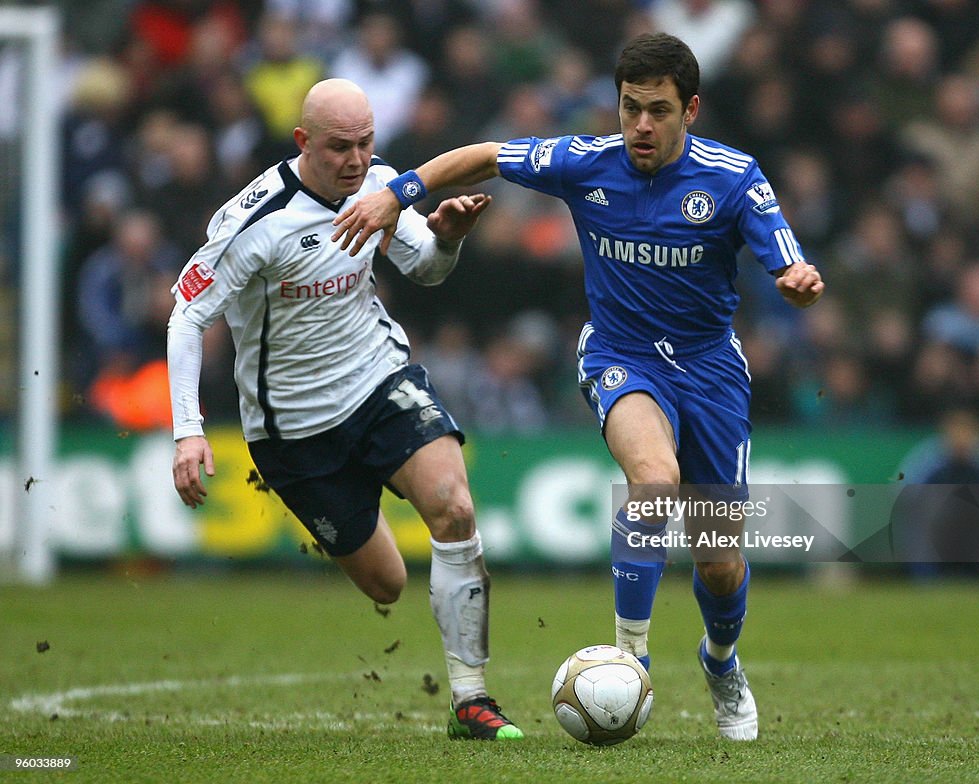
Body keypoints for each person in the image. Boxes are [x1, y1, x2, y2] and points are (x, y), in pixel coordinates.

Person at [333, 33, 825, 741]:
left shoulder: (734, 177)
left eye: (658, 111)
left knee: (719, 562)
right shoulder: (585, 161)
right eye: (630, 109)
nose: (641, 127)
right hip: (621, 356)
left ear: (691, 108)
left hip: (711, 368)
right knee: (652, 479)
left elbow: (790, 265)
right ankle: (630, 660)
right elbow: (483, 156)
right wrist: (395, 194)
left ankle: (721, 662)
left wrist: (798, 284)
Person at [167, 78, 522, 741]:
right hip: (294, 430)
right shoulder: (254, 220)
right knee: (386, 584)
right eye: (339, 147)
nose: (356, 161)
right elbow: (187, 315)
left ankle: (471, 699)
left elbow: (427, 270)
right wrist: (188, 431)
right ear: (304, 142)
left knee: (454, 505)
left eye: (365, 144)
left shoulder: (380, 186)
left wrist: (447, 239)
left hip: (377, 378)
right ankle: (361, 498)